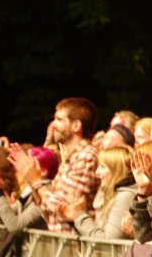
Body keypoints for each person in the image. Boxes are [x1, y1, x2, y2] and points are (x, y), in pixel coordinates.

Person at [9, 97, 100, 233]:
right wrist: (29, 176)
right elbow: (45, 208)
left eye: (59, 119)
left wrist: (36, 182)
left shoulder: (86, 157)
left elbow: (62, 206)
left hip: (76, 249)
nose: (53, 125)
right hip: (64, 246)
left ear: (76, 126)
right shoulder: (71, 159)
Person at [58, 146, 136, 239]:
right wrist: (74, 219)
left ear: (117, 171)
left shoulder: (125, 196)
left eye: (102, 167)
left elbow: (108, 241)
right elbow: (97, 234)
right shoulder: (110, 194)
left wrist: (80, 215)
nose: (97, 172)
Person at [0, 146, 59, 232]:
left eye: (29, 163)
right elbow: (5, 220)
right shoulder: (29, 191)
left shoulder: (47, 193)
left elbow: (15, 226)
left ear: (44, 171)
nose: (21, 167)